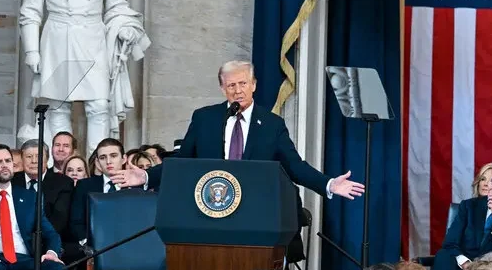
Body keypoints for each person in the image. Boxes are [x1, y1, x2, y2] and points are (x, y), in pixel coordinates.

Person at [112, 60, 364, 202]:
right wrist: (146, 177)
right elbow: (181, 161)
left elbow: (294, 166)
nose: (238, 90)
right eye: (231, 85)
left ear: (253, 85)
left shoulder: (272, 124)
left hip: (254, 206)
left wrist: (328, 183)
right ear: (222, 89)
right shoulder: (205, 118)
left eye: (243, 83)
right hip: (210, 203)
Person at [19, 0, 150, 155]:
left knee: (99, 106)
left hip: (93, 40)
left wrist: (125, 27)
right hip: (58, 41)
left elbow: (117, 6)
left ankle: (97, 164)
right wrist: (31, 51)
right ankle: (62, 166)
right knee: (58, 107)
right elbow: (30, 11)